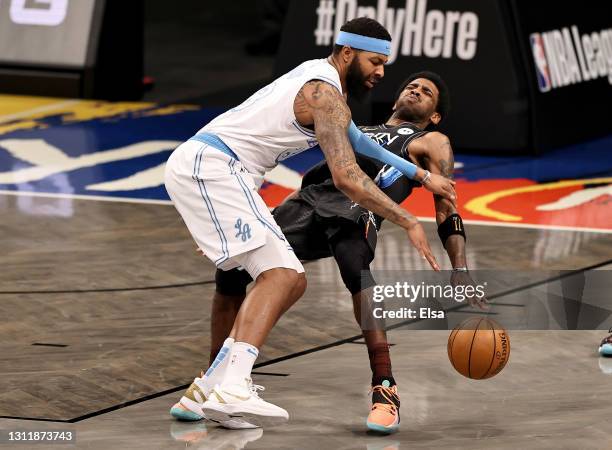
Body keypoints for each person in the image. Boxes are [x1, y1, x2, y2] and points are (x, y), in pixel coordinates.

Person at [165, 17, 456, 428]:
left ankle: (211, 390)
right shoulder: (327, 97)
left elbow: (359, 141)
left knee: (266, 273)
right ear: (349, 53)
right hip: (216, 170)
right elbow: (347, 176)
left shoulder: (315, 76)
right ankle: (231, 386)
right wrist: (407, 218)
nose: (381, 73)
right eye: (375, 61)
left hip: (213, 170)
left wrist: (422, 177)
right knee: (284, 276)